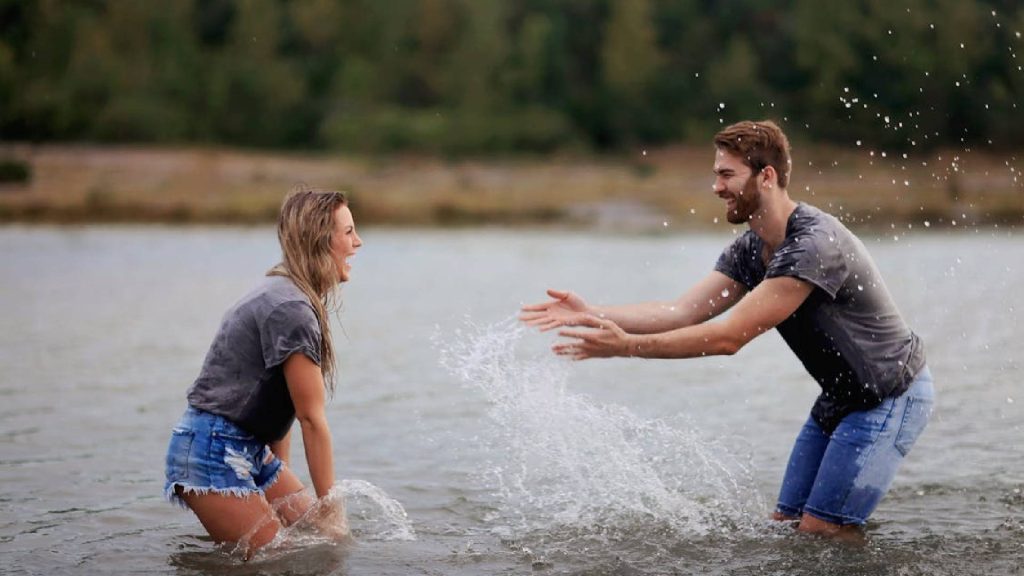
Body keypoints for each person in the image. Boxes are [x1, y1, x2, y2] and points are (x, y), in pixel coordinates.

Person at [520, 120, 934, 539]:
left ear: (766, 176)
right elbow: (682, 311)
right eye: (716, 175)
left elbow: (728, 337)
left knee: (823, 529)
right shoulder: (751, 248)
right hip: (841, 397)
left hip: (889, 394)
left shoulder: (812, 245)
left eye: (726, 175)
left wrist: (626, 346)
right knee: (787, 528)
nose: (716, 187)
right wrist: (594, 313)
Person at [164, 187, 361, 556]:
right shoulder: (291, 308)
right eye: (348, 232)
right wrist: (331, 507)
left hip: (247, 448)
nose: (358, 242)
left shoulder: (289, 293)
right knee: (279, 560)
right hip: (212, 450)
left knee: (326, 543)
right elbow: (311, 418)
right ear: (320, 239)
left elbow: (279, 406)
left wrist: (277, 487)